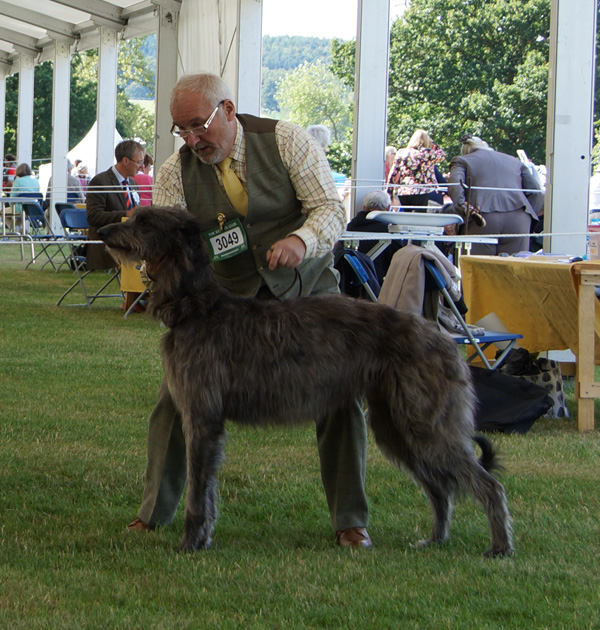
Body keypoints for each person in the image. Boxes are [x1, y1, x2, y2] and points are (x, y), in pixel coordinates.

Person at [127, 72, 372, 549]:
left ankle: (350, 520)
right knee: (174, 402)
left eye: (199, 125)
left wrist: (302, 240)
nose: (192, 139)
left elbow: (328, 206)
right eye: (182, 130)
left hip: (306, 291)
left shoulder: (284, 140)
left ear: (229, 110)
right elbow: (165, 239)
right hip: (226, 303)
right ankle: (153, 512)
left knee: (340, 394)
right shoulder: (176, 172)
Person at [448, 134, 544, 255]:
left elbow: (455, 186)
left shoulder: (461, 160)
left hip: (481, 219)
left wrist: (463, 208)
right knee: (515, 269)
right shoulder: (514, 161)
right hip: (518, 219)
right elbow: (535, 191)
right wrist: (530, 217)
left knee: (479, 269)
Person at [86, 139, 144, 271]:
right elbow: (93, 216)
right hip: (107, 246)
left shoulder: (133, 184)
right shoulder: (100, 181)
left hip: (131, 243)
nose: (141, 166)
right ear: (125, 161)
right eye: (139, 162)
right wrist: (125, 214)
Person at [340, 189, 403, 285]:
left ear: (364, 207)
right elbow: (398, 262)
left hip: (350, 280)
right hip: (377, 281)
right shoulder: (390, 230)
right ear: (388, 208)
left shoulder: (350, 227)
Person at [386, 129, 446, 211]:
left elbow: (393, 173)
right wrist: (432, 142)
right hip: (421, 190)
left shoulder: (401, 153)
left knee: (407, 217)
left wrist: (389, 192)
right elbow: (442, 154)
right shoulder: (426, 153)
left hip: (404, 190)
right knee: (419, 218)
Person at [8, 163, 40, 233]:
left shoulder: (17, 181)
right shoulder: (36, 181)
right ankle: (19, 230)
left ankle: (16, 230)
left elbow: (12, 198)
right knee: (19, 215)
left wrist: (12, 207)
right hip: (33, 210)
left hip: (20, 209)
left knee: (3, 213)